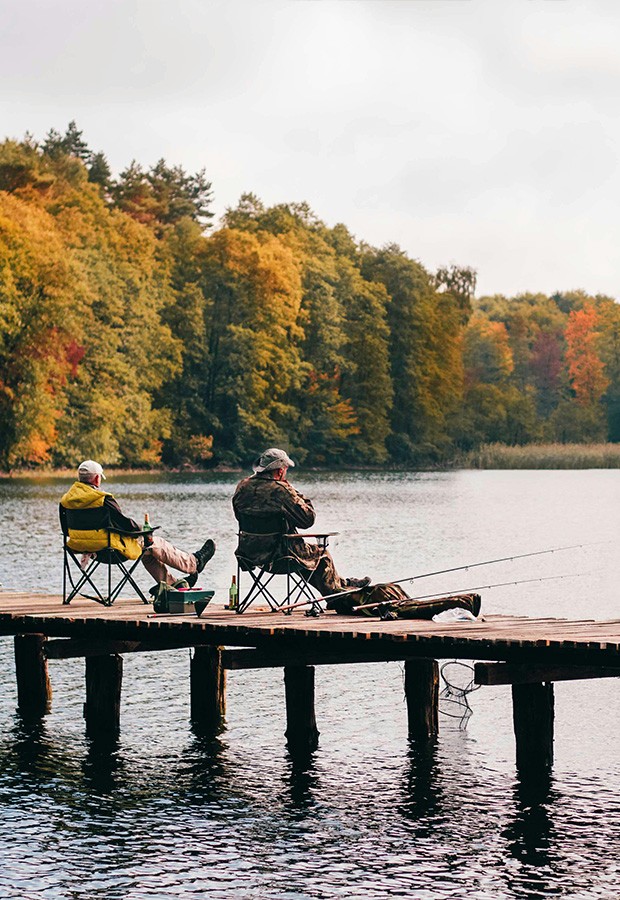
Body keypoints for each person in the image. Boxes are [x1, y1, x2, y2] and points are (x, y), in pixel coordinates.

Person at [232, 447, 370, 596]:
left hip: (249, 553)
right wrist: (293, 491)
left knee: (303, 556)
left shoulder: (242, 486)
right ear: (280, 471)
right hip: (278, 555)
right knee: (321, 554)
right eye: (285, 469)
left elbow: (239, 516)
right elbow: (308, 519)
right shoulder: (281, 490)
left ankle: (342, 585)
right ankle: (337, 595)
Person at [59, 460, 215, 588]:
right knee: (153, 543)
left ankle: (174, 586)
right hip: (110, 550)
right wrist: (141, 530)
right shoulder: (103, 499)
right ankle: (194, 563)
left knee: (148, 550)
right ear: (97, 479)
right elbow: (125, 524)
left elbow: (65, 530)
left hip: (83, 549)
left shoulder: (66, 501)